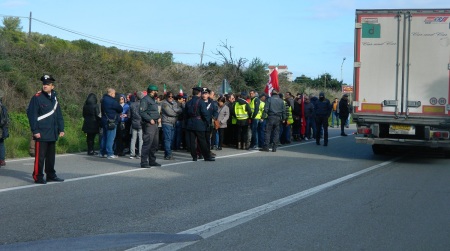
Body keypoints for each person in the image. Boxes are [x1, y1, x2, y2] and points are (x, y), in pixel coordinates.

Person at [27, 74, 65, 184]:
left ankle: (51, 175)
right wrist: (35, 131)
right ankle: (38, 176)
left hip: (52, 132)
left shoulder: (54, 98)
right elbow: (32, 115)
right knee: (40, 157)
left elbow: (58, 114)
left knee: (51, 157)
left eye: (47, 84)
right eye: (44, 84)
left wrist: (61, 128)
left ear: (52, 86)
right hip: (42, 132)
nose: (45, 86)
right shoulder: (37, 98)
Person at [184, 86, 215, 161]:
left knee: (192, 141)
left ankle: (194, 156)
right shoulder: (201, 102)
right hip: (199, 123)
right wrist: (208, 122)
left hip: (190, 123)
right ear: (200, 93)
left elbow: (185, 115)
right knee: (202, 141)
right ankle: (206, 156)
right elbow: (205, 113)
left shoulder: (188, 102)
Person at [139, 84, 162, 168]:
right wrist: (149, 119)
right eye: (156, 91)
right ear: (152, 91)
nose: (157, 92)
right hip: (149, 124)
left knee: (154, 144)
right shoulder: (145, 100)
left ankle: (152, 161)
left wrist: (159, 117)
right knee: (147, 143)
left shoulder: (153, 100)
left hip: (155, 124)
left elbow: (154, 111)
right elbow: (142, 112)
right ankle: (144, 162)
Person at [100, 88, 123, 159]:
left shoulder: (103, 100)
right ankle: (110, 153)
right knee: (111, 137)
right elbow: (120, 109)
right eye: (114, 94)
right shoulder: (112, 101)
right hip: (112, 121)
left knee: (104, 137)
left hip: (104, 120)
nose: (114, 95)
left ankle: (102, 152)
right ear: (111, 93)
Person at [161, 91, 182, 160]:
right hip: (166, 122)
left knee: (171, 139)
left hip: (173, 123)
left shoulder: (174, 103)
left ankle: (167, 153)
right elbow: (169, 112)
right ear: (166, 97)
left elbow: (180, 110)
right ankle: (168, 154)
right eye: (169, 96)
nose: (171, 98)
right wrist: (176, 112)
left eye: (172, 97)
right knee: (167, 139)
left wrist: (175, 110)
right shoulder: (164, 103)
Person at [129, 91, 145, 159]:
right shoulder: (143, 104)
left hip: (134, 123)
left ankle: (132, 153)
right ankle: (140, 153)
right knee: (141, 139)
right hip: (141, 123)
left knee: (133, 139)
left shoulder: (132, 104)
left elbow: (129, 115)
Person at [0, 93, 9, 167]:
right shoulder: (3, 107)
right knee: (1, 143)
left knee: (1, 143)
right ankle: (2, 160)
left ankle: (2, 160)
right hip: (2, 129)